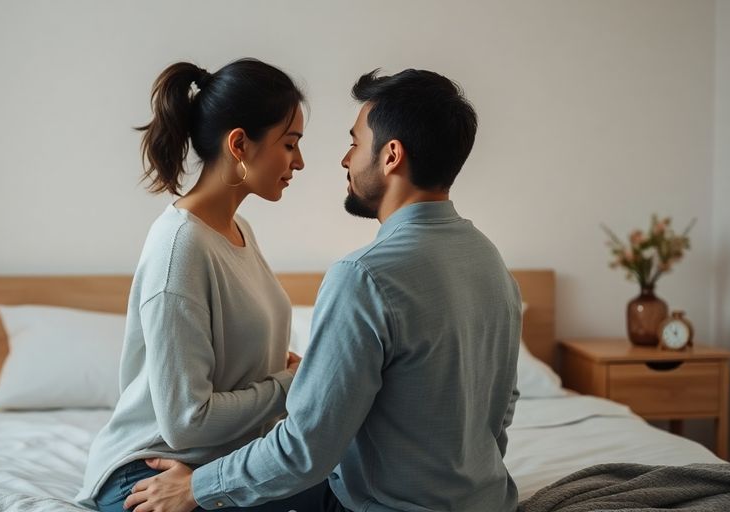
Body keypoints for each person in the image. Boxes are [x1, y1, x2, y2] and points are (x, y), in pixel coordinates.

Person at [124, 68, 522, 512]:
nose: (344, 159)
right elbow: (505, 403)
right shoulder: (491, 261)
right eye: (291, 143)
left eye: (354, 142)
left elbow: (304, 448)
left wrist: (197, 487)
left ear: (391, 156)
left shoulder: (364, 276)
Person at [76, 58, 332, 512]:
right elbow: (186, 423)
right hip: (152, 472)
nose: (300, 161)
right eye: (290, 144)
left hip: (219, 465)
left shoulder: (238, 231)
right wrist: (289, 383)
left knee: (364, 483)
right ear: (240, 144)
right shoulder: (180, 250)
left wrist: (282, 371)